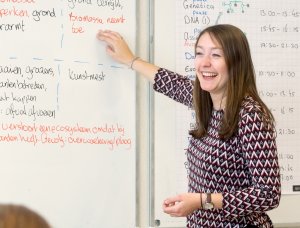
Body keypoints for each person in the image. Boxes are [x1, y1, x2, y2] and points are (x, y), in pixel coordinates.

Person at [97, 24, 281, 227]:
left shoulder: (249, 115)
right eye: (199, 53)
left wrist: (202, 201)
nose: (204, 63)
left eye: (216, 55)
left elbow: (268, 194)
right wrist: (131, 60)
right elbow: (172, 84)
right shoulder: (207, 102)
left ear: (236, 61)